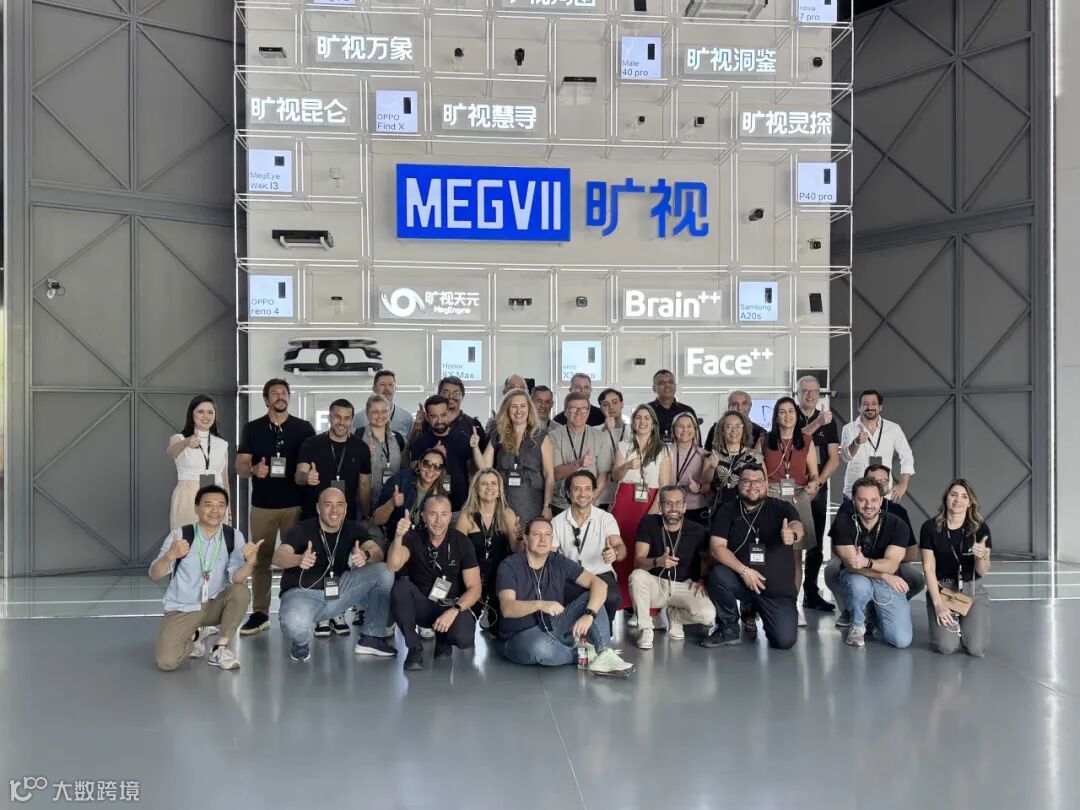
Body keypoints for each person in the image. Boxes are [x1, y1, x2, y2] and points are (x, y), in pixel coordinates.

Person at [495, 517, 635, 677]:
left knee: (592, 597)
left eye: (547, 535)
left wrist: (589, 615)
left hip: (553, 626)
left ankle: (604, 653)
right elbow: (507, 608)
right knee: (539, 647)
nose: (542, 539)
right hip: (519, 636)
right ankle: (582, 655)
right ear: (526, 539)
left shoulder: (558, 561)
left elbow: (599, 584)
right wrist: (540, 605)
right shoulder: (509, 566)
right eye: (536, 534)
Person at [274, 487, 396, 662]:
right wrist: (298, 559)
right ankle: (301, 642)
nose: (334, 511)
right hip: (302, 593)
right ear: (318, 508)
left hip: (338, 591)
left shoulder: (352, 528)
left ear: (345, 508)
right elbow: (279, 556)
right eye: (328, 505)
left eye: (339, 505)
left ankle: (372, 637)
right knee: (295, 623)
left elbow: (376, 551)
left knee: (384, 571)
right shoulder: (302, 528)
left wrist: (365, 555)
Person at [235, 378, 315, 636]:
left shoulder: (304, 428)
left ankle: (299, 610)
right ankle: (260, 613)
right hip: (263, 506)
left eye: (284, 392)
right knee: (261, 561)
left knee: (297, 559)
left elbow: (314, 462)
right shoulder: (252, 428)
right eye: (274, 393)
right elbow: (240, 465)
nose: (280, 396)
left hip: (296, 506)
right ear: (266, 399)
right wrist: (253, 469)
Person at [149, 486, 257, 672]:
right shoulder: (180, 535)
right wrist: (169, 556)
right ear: (196, 508)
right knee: (166, 662)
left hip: (214, 604)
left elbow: (237, 578)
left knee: (240, 591)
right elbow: (154, 574)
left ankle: (219, 648)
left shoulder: (233, 536)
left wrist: (251, 562)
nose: (215, 511)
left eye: (221, 505)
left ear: (226, 509)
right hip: (184, 607)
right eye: (208, 505)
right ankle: (195, 635)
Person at [701, 465, 802, 650]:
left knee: (784, 641)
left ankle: (759, 611)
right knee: (718, 575)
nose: (752, 486)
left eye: (758, 481)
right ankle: (728, 628)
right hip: (742, 582)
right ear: (739, 484)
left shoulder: (782, 507)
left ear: (766, 484)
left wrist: (792, 534)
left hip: (775, 592)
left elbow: (797, 525)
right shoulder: (727, 509)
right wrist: (744, 571)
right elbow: (716, 548)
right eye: (746, 481)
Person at [387, 495, 481, 671]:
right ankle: (414, 647)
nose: (438, 521)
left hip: (450, 606)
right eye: (433, 514)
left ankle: (444, 640)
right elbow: (393, 565)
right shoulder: (413, 538)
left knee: (464, 638)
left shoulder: (462, 542)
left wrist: (455, 610)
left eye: (444, 514)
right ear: (423, 517)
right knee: (400, 588)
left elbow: (475, 589)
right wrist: (398, 536)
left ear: (450, 516)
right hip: (422, 606)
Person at [826, 463, 924, 627]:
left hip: (888, 561)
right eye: (873, 480)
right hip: (853, 561)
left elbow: (912, 553)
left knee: (916, 578)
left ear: (888, 485)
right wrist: (859, 562)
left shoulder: (898, 512)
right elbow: (837, 548)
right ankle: (849, 610)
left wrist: (884, 562)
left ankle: (882, 608)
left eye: (883, 481)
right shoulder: (847, 509)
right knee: (832, 569)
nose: (878, 484)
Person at [831, 477, 913, 649]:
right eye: (862, 500)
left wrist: (867, 563)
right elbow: (852, 565)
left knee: (901, 640)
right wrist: (884, 575)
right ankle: (857, 624)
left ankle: (873, 614)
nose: (869, 505)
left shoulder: (897, 525)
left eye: (874, 500)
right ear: (854, 500)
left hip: (885, 581)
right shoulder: (843, 522)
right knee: (858, 584)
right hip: (857, 576)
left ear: (881, 500)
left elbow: (892, 565)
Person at [629, 485, 715, 649]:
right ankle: (646, 629)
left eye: (678, 503)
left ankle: (675, 616)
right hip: (656, 583)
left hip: (684, 585)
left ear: (684, 506)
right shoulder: (648, 523)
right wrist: (657, 562)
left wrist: (703, 580)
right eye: (668, 504)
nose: (673, 508)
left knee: (708, 615)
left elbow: (706, 559)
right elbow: (638, 562)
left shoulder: (698, 530)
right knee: (637, 576)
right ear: (660, 507)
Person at [761, 396, 820, 627]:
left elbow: (814, 474)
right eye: (782, 412)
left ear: (797, 415)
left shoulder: (806, 440)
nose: (787, 416)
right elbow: (758, 472)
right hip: (772, 495)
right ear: (776, 416)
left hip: (798, 496)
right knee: (770, 552)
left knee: (796, 555)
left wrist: (814, 484)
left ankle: (792, 604)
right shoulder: (765, 440)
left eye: (791, 411)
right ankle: (770, 602)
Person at [611, 404, 672, 614]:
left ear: (653, 424)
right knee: (624, 549)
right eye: (638, 417)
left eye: (647, 418)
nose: (642, 421)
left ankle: (646, 607)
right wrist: (627, 465)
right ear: (633, 422)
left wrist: (652, 514)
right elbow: (615, 476)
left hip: (651, 503)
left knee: (646, 550)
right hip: (625, 503)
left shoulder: (663, 450)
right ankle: (624, 603)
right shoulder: (623, 446)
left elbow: (664, 486)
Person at [920, 480, 992, 657]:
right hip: (942, 589)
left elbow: (983, 571)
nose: (958, 500)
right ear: (946, 498)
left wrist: (982, 556)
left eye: (964, 496)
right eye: (953, 495)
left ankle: (968, 626)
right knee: (947, 647)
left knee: (976, 649)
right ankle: (946, 625)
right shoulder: (930, 527)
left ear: (970, 503)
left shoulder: (980, 528)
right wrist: (938, 604)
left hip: (971, 588)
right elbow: (928, 568)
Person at [550, 470, 625, 622]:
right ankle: (572, 631)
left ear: (593, 492)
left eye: (587, 489)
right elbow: (550, 555)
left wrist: (615, 552)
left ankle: (605, 630)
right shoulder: (557, 521)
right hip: (572, 576)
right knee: (561, 596)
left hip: (601, 573)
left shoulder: (605, 518)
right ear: (568, 493)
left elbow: (620, 546)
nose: (583, 494)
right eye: (577, 489)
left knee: (613, 596)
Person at [473, 389, 554, 526]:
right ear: (507, 409)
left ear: (529, 409)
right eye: (514, 406)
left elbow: (549, 475)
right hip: (504, 505)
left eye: (522, 406)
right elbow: (484, 468)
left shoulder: (541, 437)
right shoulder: (498, 435)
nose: (518, 411)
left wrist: (548, 506)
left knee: (529, 537)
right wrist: (475, 447)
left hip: (533, 504)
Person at [794, 375, 840, 613]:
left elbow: (834, 458)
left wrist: (818, 484)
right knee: (791, 542)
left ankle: (811, 593)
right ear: (797, 393)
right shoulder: (789, 414)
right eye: (805, 390)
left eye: (814, 391)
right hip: (792, 487)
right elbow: (794, 442)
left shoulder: (828, 420)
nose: (810, 394)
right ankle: (788, 594)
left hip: (818, 489)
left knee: (815, 543)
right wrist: (817, 423)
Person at [455, 469, 520, 634]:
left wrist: (521, 538)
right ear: (476, 489)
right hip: (473, 579)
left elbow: (515, 549)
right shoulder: (466, 516)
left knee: (500, 631)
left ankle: (490, 615)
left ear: (499, 490)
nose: (489, 488)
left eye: (493, 484)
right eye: (484, 484)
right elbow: (457, 553)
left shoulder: (508, 514)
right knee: (463, 633)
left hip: (500, 578)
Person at [295, 398, 372, 521]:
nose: (341, 422)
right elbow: (299, 476)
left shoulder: (361, 448)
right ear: (329, 418)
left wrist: (367, 515)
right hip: (313, 517)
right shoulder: (311, 444)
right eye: (337, 417)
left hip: (347, 518)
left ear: (352, 420)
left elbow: (364, 485)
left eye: (346, 418)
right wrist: (306, 477)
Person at [167, 395, 230, 530]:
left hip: (216, 497)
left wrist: (228, 510)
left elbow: (224, 479)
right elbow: (171, 452)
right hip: (187, 497)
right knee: (186, 539)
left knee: (215, 540)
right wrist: (186, 442)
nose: (206, 416)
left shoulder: (222, 444)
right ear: (192, 414)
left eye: (210, 412)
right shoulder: (179, 438)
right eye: (200, 411)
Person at [839, 389, 915, 502]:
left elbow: (907, 456)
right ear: (859, 408)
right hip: (854, 494)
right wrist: (856, 442)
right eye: (865, 404)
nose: (870, 407)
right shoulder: (849, 429)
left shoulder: (893, 428)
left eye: (874, 403)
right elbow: (845, 457)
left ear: (880, 407)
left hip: (883, 495)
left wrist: (903, 485)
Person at [547, 392, 614, 515]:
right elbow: (555, 473)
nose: (578, 413)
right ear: (565, 412)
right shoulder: (553, 436)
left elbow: (602, 477)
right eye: (573, 409)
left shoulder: (600, 437)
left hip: (589, 505)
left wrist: (586, 503)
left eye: (583, 409)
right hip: (560, 504)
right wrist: (578, 464)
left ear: (588, 412)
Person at [409, 395, 474, 513]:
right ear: (427, 417)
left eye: (443, 415)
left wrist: (472, 503)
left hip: (460, 508)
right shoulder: (420, 441)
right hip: (429, 509)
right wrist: (432, 453)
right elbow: (412, 469)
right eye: (434, 416)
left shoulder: (463, 439)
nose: (439, 421)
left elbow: (472, 472)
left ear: (449, 413)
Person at [701, 409, 763, 510]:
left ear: (744, 430)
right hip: (720, 511)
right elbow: (704, 488)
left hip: (749, 511)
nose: (734, 430)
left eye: (738, 426)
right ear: (722, 430)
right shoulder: (712, 456)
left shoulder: (755, 457)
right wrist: (712, 467)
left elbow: (764, 488)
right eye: (729, 426)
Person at [374, 447, 448, 530]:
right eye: (427, 464)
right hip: (392, 534)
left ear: (441, 471)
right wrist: (392, 503)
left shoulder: (441, 493)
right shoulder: (400, 480)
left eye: (437, 467)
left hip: (420, 537)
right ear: (419, 464)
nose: (431, 469)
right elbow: (377, 520)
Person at [355, 394, 407, 508]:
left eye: (384, 411)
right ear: (367, 414)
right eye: (375, 412)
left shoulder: (398, 438)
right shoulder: (357, 437)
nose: (380, 416)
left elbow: (404, 470)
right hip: (364, 502)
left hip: (392, 502)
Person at [412, 376, 487, 444]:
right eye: (446, 392)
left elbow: (484, 452)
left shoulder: (473, 424)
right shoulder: (427, 421)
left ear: (462, 396)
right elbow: (413, 448)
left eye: (456, 393)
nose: (451, 396)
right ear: (439, 395)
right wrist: (417, 425)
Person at [669, 412, 709, 525]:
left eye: (689, 426)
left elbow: (708, 486)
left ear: (695, 429)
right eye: (680, 426)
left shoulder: (704, 455)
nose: (685, 430)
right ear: (674, 429)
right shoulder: (665, 452)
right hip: (670, 506)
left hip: (696, 508)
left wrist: (699, 487)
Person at [352, 369, 415, 437]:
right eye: (382, 384)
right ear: (374, 388)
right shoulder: (359, 417)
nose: (387, 388)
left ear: (395, 388)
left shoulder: (407, 418)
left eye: (390, 385)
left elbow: (410, 442)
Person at [596, 388, 629, 509]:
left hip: (624, 494)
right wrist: (605, 429)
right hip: (600, 495)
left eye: (615, 402)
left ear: (622, 404)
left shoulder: (633, 432)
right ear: (601, 408)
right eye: (606, 404)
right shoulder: (595, 431)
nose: (611, 407)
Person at [647, 369, 697, 442]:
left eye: (671, 382)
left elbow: (696, 440)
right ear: (654, 388)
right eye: (661, 383)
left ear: (675, 386)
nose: (667, 385)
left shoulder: (687, 411)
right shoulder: (646, 411)